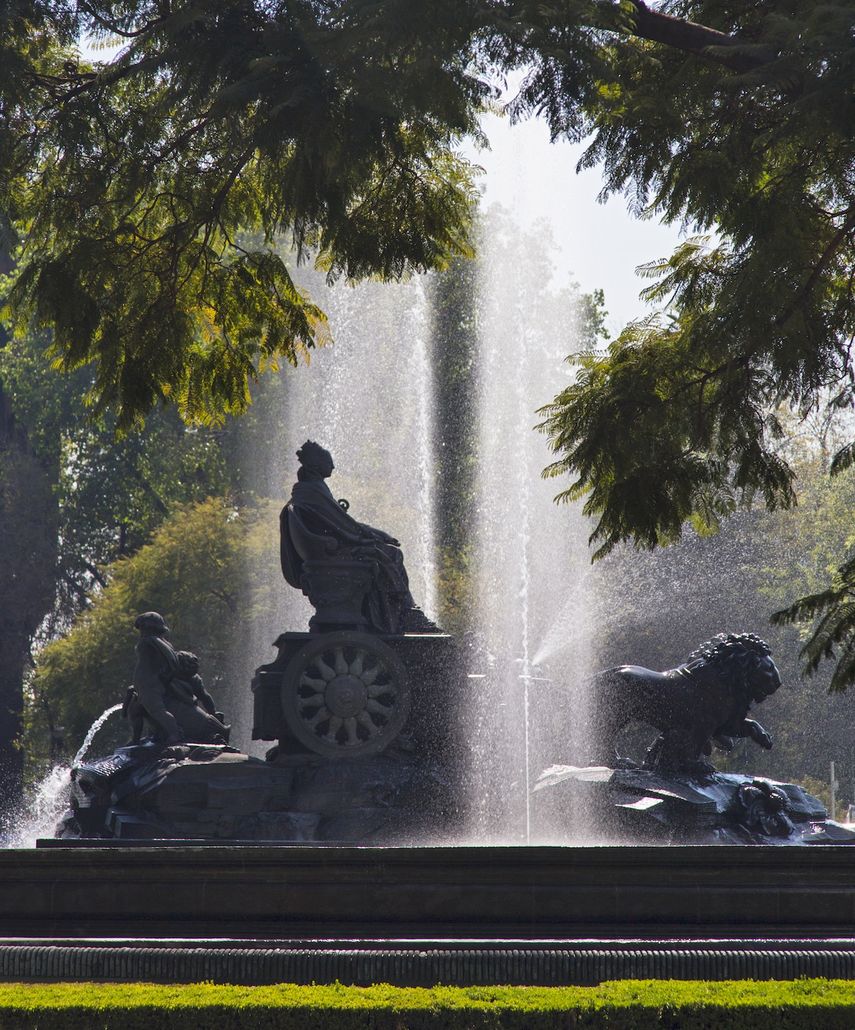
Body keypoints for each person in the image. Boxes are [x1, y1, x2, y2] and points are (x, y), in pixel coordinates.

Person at [280, 441, 437, 633]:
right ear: (315, 464)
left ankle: (395, 614)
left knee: (386, 552)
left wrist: (376, 535)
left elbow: (341, 523)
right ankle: (406, 613)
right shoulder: (312, 490)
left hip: (329, 553)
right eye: (328, 461)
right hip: (332, 556)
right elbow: (345, 526)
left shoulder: (309, 489)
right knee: (391, 555)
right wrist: (374, 537)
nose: (333, 466)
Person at [126, 612, 230, 744]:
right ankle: (139, 738)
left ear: (149, 627)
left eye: (142, 627)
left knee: (158, 711)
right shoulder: (159, 642)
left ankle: (175, 733)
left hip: (149, 684)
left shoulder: (151, 640)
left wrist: (169, 672)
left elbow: (171, 658)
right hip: (146, 684)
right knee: (136, 708)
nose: (141, 632)